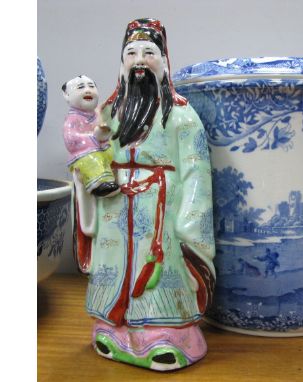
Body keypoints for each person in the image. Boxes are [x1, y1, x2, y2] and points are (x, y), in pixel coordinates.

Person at [73, 19, 215, 371]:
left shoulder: (181, 114)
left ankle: (166, 336)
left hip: (161, 210)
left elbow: (196, 169)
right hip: (115, 206)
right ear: (121, 61)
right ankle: (113, 330)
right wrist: (89, 166)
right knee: (117, 266)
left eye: (149, 53)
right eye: (131, 53)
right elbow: (93, 149)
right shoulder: (109, 112)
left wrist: (189, 221)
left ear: (164, 60)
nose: (140, 61)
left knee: (161, 273)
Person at [62, 75, 119, 196]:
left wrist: (105, 134)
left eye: (91, 86)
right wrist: (93, 137)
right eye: (81, 87)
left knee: (115, 150)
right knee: (92, 160)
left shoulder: (97, 114)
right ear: (67, 95)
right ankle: (99, 185)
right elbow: (70, 139)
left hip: (101, 148)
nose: (88, 90)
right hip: (84, 154)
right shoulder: (73, 119)